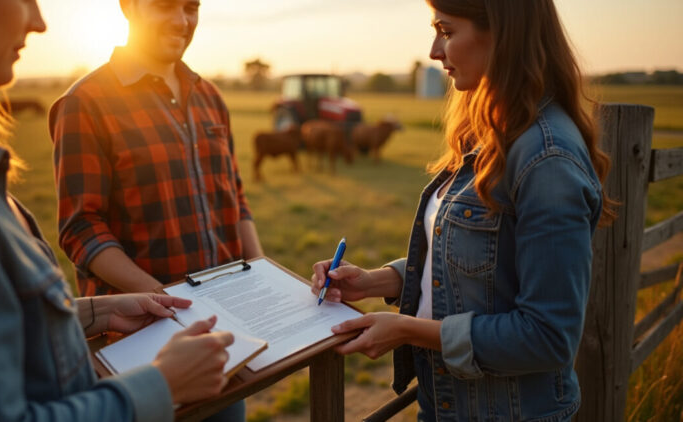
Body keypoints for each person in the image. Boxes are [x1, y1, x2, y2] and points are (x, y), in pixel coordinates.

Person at [0, 1, 234, 420]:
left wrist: (98, 311)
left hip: (206, 332)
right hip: (150, 363)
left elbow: (7, 324)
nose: (40, 21)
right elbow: (81, 226)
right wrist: (160, 384)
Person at [311, 0, 615, 420]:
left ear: (503, 35)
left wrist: (404, 328)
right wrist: (379, 280)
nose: (435, 51)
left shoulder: (546, 159)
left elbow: (549, 336)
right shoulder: (490, 131)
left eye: (447, 31)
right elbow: (480, 262)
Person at [48, 0, 262, 298]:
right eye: (165, 5)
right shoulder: (84, 103)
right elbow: (82, 228)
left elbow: (235, 197)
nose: (181, 22)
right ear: (128, 7)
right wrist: (167, 301)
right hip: (142, 325)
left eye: (191, 8)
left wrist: (263, 273)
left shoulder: (210, 97)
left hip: (231, 306)